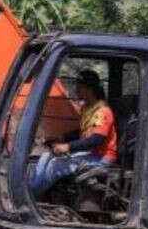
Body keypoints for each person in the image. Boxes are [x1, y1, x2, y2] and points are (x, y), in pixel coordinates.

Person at [29, 69, 118, 198]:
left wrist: (68, 146)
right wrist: (62, 137)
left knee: (56, 165)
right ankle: (32, 190)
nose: (76, 90)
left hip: (100, 158)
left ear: (89, 89)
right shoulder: (87, 108)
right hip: (89, 153)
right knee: (46, 156)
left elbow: (96, 139)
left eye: (79, 87)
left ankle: (33, 197)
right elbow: (83, 132)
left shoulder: (103, 111)